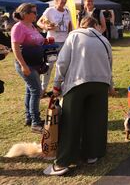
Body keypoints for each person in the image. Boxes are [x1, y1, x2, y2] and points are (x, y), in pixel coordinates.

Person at [44, 16, 115, 176]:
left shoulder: (74, 36)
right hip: (101, 84)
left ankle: (62, 163)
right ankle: (92, 154)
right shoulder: (104, 40)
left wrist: (56, 84)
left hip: (77, 83)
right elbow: (110, 64)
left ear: (81, 25)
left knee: (70, 121)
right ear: (95, 25)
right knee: (96, 120)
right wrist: (111, 85)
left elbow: (62, 62)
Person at [10, 3, 45, 133]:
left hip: (34, 63)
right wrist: (23, 66)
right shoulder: (18, 27)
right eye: (34, 12)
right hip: (25, 64)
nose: (37, 15)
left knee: (30, 90)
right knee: (36, 91)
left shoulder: (31, 25)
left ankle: (29, 117)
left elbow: (38, 40)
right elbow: (15, 48)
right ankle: (36, 123)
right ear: (25, 14)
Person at [37, 0, 72, 96]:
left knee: (63, 66)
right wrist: (46, 27)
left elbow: (69, 25)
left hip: (65, 42)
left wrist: (70, 36)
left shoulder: (67, 11)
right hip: (52, 43)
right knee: (49, 66)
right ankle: (42, 89)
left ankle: (58, 88)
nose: (64, 1)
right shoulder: (50, 10)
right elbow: (39, 22)